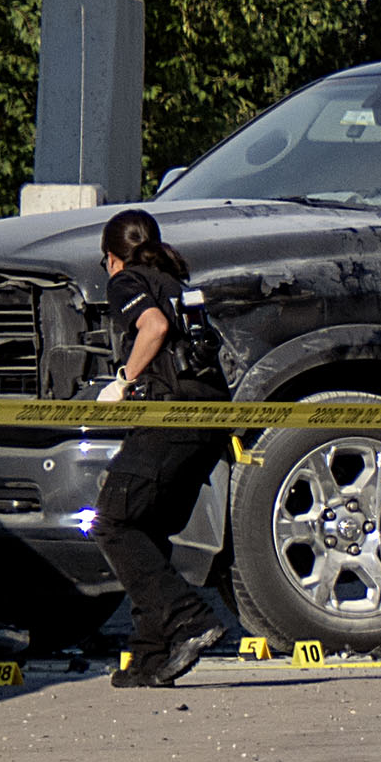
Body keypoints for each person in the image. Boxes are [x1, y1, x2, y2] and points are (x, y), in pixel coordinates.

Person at [90, 208, 231, 688]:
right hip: (208, 418)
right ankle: (151, 656)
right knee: (146, 529)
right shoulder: (177, 283)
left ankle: (189, 619)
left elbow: (153, 328)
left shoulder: (127, 281)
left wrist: (124, 380)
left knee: (113, 520)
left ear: (111, 258)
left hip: (171, 416)